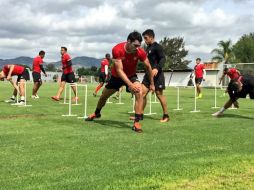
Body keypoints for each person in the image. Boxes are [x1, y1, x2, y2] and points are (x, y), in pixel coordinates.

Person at [85, 31, 155, 133]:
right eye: (135, 45)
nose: (137, 48)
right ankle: (97, 113)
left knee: (139, 92)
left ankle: (136, 122)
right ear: (128, 41)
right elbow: (119, 70)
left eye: (139, 46)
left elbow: (148, 67)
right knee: (103, 96)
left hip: (131, 76)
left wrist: (152, 83)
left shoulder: (140, 52)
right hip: (117, 77)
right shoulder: (117, 49)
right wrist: (130, 85)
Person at [140, 29, 169, 122]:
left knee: (159, 95)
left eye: (146, 38)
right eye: (144, 38)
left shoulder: (157, 47)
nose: (144, 40)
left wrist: (156, 68)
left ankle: (166, 116)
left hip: (158, 75)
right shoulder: (147, 48)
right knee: (142, 93)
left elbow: (163, 59)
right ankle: (139, 115)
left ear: (151, 37)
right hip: (148, 75)